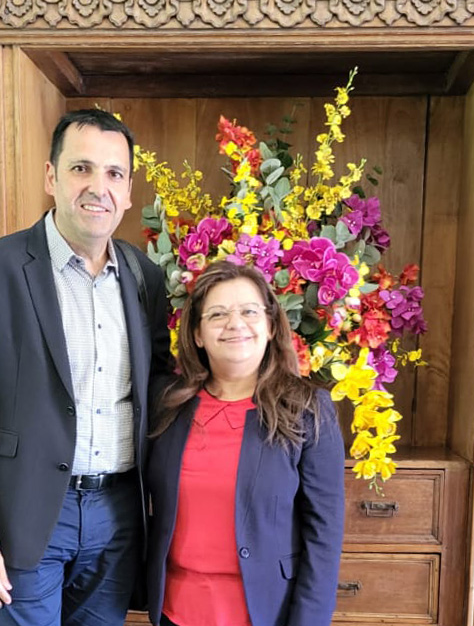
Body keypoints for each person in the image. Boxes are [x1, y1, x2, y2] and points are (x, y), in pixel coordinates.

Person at [0, 109, 171, 626]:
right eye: (81, 168)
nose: (98, 187)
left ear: (129, 190)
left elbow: (158, 387)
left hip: (117, 516)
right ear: (51, 176)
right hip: (25, 515)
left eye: (114, 173)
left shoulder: (144, 277)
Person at [146, 261, 345, 626]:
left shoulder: (308, 409)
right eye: (218, 314)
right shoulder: (167, 403)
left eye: (249, 311)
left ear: (270, 326)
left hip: (268, 612)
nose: (235, 323)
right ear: (197, 335)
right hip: (176, 611)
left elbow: (324, 534)